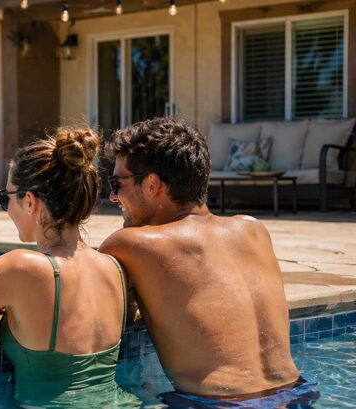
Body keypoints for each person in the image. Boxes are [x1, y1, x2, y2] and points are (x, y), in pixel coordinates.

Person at [99, 117, 317, 405]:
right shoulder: (253, 230)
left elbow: (94, 316)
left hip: (218, 403)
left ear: (152, 184)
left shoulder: (131, 244)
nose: (114, 195)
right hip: (298, 394)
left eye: (117, 182)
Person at [0, 127, 133, 406]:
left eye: (4, 198)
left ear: (29, 201)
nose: (5, 208)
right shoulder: (113, 268)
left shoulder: (21, 269)